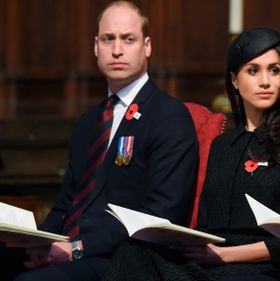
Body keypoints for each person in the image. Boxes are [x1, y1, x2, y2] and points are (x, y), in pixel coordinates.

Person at [103, 28, 280, 281]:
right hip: (213, 263)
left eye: (274, 70)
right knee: (135, 251)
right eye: (253, 71)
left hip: (270, 269)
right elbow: (206, 227)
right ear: (234, 80)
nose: (266, 81)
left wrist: (225, 255)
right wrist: (189, 242)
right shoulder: (222, 146)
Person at [4, 1, 199, 280]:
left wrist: (76, 249)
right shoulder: (88, 122)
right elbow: (65, 205)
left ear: (147, 46)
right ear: (96, 46)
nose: (117, 50)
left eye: (128, 39)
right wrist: (37, 243)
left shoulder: (168, 115)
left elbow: (160, 216)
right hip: (69, 251)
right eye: (108, 39)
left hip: (123, 260)